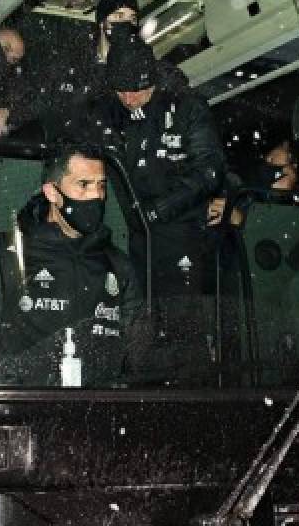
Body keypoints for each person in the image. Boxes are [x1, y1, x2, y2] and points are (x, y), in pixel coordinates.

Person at [73, 35, 225, 383]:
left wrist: (160, 210)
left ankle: (188, 392)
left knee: (181, 318)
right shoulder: (107, 111)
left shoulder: (187, 108)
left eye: (136, 90)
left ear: (152, 80)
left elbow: (210, 169)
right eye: (120, 90)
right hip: (126, 232)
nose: (128, 98)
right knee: (131, 318)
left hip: (178, 231)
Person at [0, 142, 146, 386]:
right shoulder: (3, 254)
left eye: (101, 186)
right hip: (22, 411)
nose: (96, 196)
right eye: (83, 185)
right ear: (52, 193)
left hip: (99, 412)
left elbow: (138, 353)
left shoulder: (117, 264)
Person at [5, 0, 189, 139]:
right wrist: (10, 116)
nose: (126, 23)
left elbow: (179, 93)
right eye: (118, 16)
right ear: (102, 23)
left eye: (132, 19)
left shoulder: (147, 67)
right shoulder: (74, 65)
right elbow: (41, 98)